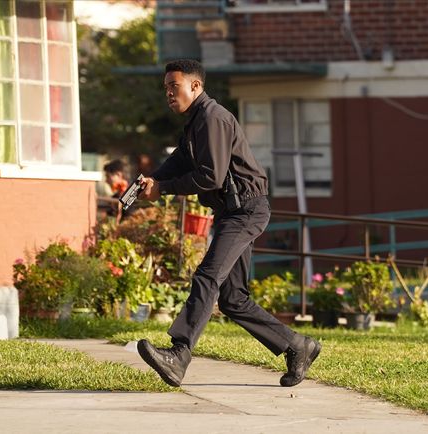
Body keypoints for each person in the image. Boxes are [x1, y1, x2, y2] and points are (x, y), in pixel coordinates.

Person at [135, 59, 321, 387]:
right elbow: (180, 160)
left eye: (174, 86)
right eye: (165, 88)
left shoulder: (213, 118)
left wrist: (163, 189)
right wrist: (152, 181)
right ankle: (297, 346)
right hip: (232, 212)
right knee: (233, 299)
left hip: (245, 211)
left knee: (207, 275)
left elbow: (211, 176)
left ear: (195, 86)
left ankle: (179, 354)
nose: (168, 93)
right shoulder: (196, 122)